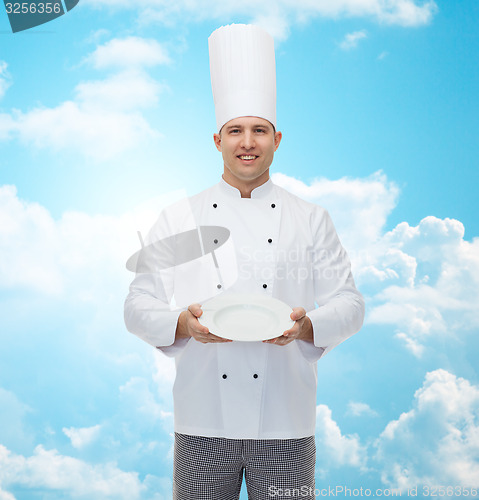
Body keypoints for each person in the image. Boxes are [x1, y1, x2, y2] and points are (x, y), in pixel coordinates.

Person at [124, 24, 365, 500]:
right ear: (217, 140)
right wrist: (180, 322)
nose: (247, 142)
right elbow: (136, 304)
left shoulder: (311, 217)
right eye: (236, 131)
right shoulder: (180, 217)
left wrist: (307, 325)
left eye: (259, 130)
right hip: (200, 420)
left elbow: (351, 303)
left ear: (278, 138)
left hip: (286, 422)